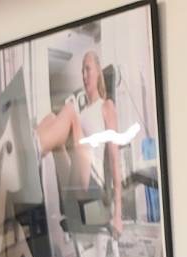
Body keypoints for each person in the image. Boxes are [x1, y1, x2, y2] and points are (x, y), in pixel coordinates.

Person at [34, 49, 124, 239]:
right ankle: (33, 146)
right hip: (77, 183)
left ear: (98, 71)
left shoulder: (106, 106)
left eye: (88, 69)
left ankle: (35, 147)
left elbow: (114, 160)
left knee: (69, 110)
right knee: (51, 117)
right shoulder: (82, 112)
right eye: (82, 71)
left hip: (94, 185)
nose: (84, 75)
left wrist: (117, 214)